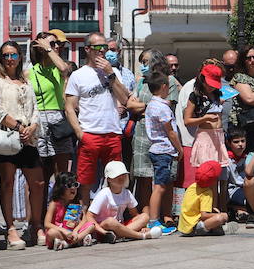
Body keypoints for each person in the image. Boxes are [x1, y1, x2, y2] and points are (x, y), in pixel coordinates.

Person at [65, 33, 143, 208]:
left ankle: (113, 214)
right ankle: (86, 216)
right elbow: (69, 107)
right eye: (98, 48)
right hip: (89, 134)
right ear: (87, 49)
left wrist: (110, 74)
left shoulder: (113, 72)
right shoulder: (78, 75)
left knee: (116, 178)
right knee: (85, 181)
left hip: (113, 133)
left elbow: (125, 99)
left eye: (105, 48)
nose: (103, 52)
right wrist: (79, 133)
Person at [0, 40, 43, 249]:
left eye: (13, 55)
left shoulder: (25, 80)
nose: (10, 59)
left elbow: (35, 106)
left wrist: (33, 125)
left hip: (29, 137)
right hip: (7, 137)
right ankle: (11, 228)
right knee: (8, 183)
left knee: (37, 183)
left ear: (20, 56)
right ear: (1, 59)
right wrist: (19, 127)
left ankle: (35, 223)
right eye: (5, 56)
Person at [29, 32, 75, 181]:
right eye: (52, 44)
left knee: (62, 173)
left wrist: (49, 49)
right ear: (41, 47)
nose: (56, 47)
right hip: (38, 121)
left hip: (59, 121)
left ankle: (58, 204)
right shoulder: (29, 72)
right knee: (39, 175)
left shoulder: (59, 69)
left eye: (56, 44)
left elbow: (64, 69)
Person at [143, 68, 180, 235]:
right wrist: (179, 149)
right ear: (164, 86)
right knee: (159, 187)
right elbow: (170, 131)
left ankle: (155, 219)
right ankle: (153, 221)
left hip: (158, 150)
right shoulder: (162, 107)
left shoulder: (152, 104)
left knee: (161, 185)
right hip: (163, 151)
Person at [83, 160, 159, 242]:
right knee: (111, 221)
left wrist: (143, 226)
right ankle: (140, 236)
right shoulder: (104, 194)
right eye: (117, 176)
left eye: (123, 175)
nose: (121, 177)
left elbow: (135, 214)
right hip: (104, 227)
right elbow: (89, 216)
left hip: (120, 225)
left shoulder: (126, 193)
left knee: (145, 216)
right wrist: (103, 232)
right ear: (109, 179)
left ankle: (120, 234)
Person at [184, 63, 228, 200]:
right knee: (207, 174)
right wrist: (204, 118)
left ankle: (216, 206)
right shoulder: (194, 96)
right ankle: (206, 207)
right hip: (205, 138)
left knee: (216, 174)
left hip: (218, 137)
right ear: (202, 79)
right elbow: (187, 120)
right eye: (210, 83)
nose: (212, 87)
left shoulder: (217, 95)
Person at [178, 159, 232, 237]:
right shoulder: (206, 193)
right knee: (220, 217)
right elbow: (204, 215)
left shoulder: (192, 187)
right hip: (192, 227)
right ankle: (203, 229)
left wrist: (213, 210)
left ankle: (215, 227)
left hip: (184, 225)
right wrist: (221, 215)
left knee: (216, 214)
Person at [42, 173, 90, 249]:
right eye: (69, 185)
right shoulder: (54, 203)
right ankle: (78, 240)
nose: (73, 188)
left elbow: (84, 220)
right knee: (51, 233)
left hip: (73, 231)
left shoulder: (77, 201)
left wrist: (75, 231)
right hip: (60, 232)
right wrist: (64, 231)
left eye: (75, 185)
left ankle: (68, 243)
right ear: (61, 188)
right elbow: (47, 224)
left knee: (91, 226)